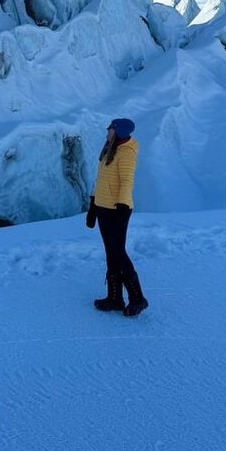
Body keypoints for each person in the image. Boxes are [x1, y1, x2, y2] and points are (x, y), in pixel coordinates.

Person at [86, 118, 148, 317]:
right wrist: (93, 206)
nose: (108, 130)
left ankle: (138, 298)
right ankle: (114, 298)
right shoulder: (109, 149)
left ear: (118, 131)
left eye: (111, 128)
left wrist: (122, 207)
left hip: (116, 209)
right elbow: (102, 180)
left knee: (118, 252)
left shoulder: (126, 153)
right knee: (111, 253)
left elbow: (127, 182)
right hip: (104, 207)